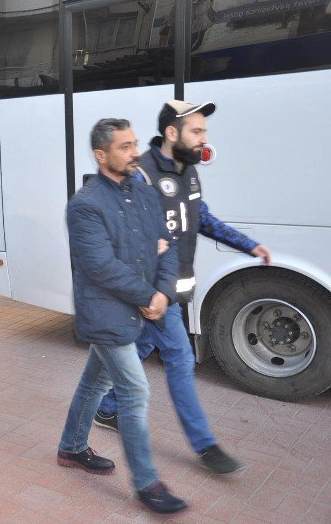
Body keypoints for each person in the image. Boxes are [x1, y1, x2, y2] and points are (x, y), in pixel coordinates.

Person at [94, 100, 271, 474]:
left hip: (174, 290)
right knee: (180, 358)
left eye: (204, 130)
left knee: (141, 345)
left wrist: (247, 244)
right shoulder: (140, 175)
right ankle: (206, 446)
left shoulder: (188, 171)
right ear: (172, 133)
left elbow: (200, 217)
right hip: (153, 291)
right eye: (197, 131)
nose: (204, 138)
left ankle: (106, 406)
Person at [58, 118, 187, 514]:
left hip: (138, 306)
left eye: (134, 144)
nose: (136, 153)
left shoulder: (144, 192)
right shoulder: (84, 205)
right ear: (101, 155)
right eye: (125, 147)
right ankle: (148, 484)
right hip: (106, 314)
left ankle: (71, 447)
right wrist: (149, 294)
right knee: (135, 392)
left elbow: (166, 246)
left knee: (94, 383)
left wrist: (164, 291)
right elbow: (100, 267)